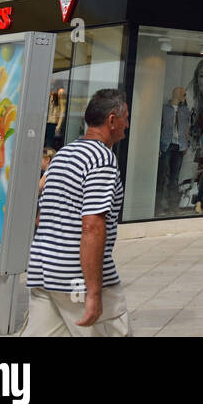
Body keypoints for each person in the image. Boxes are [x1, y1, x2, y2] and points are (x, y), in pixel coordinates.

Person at [22, 89, 131, 336]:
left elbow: (43, 211)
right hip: (75, 278)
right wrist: (93, 291)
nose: (127, 124)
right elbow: (92, 225)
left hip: (43, 270)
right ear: (112, 120)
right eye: (125, 117)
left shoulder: (63, 155)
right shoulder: (101, 160)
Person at [158, 85, 191, 215]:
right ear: (177, 94)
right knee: (163, 176)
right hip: (167, 145)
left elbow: (187, 127)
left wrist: (186, 143)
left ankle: (173, 206)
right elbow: (160, 126)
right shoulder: (165, 109)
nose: (185, 97)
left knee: (175, 177)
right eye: (183, 95)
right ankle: (160, 207)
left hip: (180, 146)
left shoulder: (185, 110)